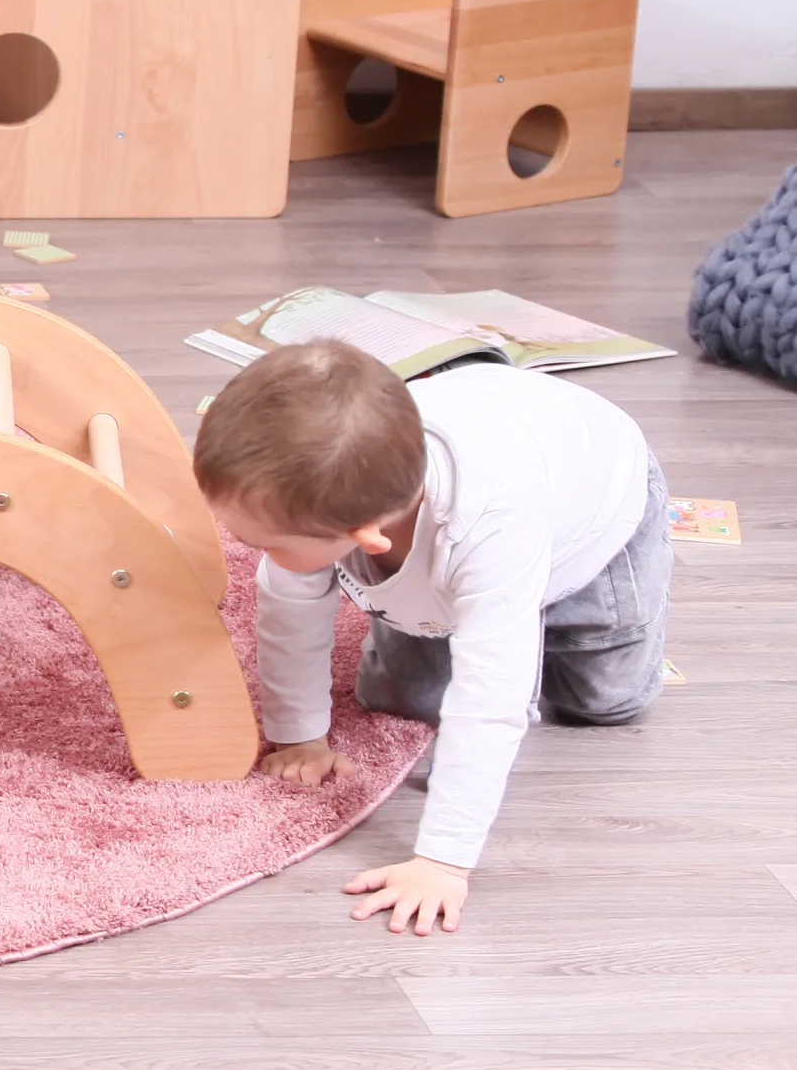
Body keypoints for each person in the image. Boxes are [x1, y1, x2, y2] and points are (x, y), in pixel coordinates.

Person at [193, 339, 671, 937]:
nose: (246, 549)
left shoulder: (492, 525)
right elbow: (289, 616)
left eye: (265, 543)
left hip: (596, 512)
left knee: (604, 701)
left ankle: (524, 620)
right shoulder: (337, 500)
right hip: (480, 514)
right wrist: (301, 737)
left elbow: (490, 704)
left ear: (365, 536)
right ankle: (495, 620)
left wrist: (444, 861)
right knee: (405, 698)